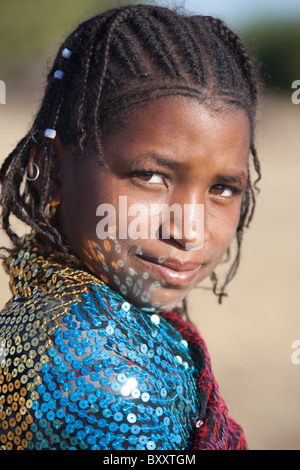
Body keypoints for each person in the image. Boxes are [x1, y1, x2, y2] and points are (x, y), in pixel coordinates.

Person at [0, 3, 261, 450]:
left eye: (222, 188)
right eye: (151, 176)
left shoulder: (83, 320)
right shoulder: (99, 377)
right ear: (52, 171)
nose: (189, 231)